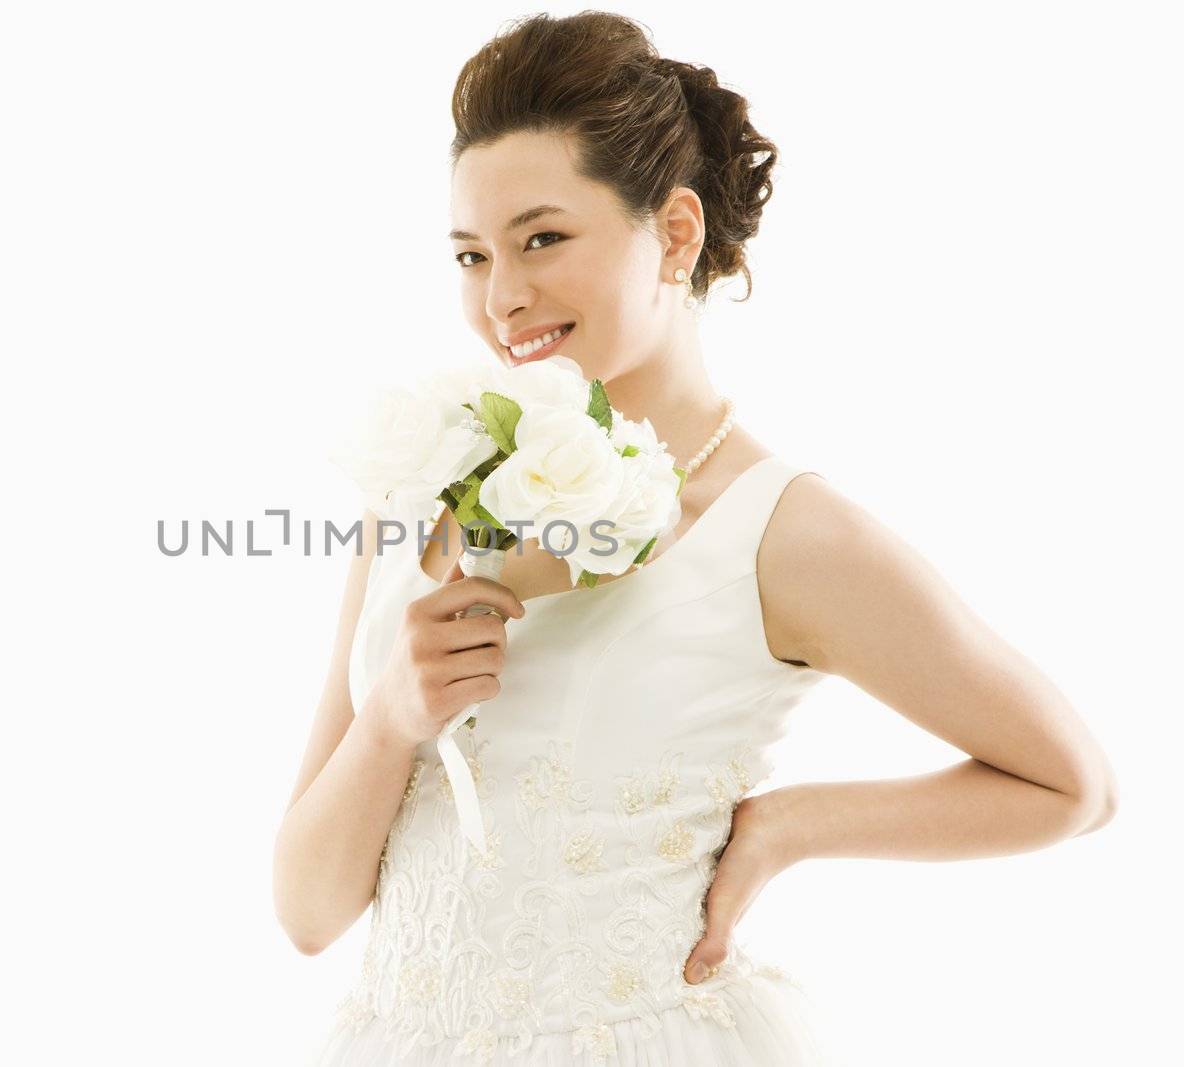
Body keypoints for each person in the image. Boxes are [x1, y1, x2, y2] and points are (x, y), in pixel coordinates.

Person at [273, 12, 1118, 1065]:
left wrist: (790, 824)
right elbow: (307, 912)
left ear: (673, 234)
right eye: (470, 253)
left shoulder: (778, 531)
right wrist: (390, 717)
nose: (501, 296)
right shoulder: (419, 488)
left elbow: (1068, 782)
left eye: (542, 238)